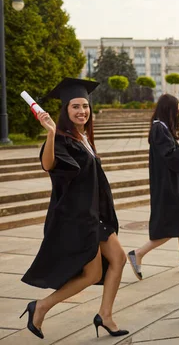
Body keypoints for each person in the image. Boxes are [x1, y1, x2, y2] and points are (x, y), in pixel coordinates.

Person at [20, 78, 128, 339]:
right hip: (80, 217)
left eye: (85, 106)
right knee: (92, 273)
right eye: (75, 107)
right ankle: (42, 306)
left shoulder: (83, 137)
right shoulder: (61, 138)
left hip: (96, 214)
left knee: (118, 259)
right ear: (65, 110)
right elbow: (48, 165)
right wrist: (49, 131)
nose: (82, 111)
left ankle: (105, 315)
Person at [128, 94, 179, 279]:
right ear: (170, 109)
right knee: (172, 223)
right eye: (177, 107)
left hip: (175, 180)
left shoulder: (163, 127)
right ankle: (139, 253)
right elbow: (170, 155)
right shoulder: (159, 127)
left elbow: (170, 156)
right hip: (168, 184)